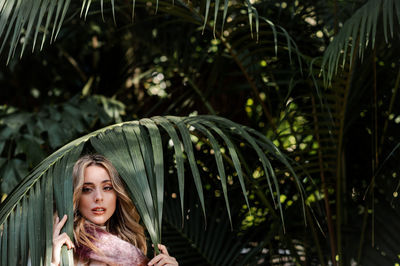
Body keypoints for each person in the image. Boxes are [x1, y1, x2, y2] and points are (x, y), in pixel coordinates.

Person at [51, 154, 178, 266]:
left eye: (107, 188)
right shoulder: (60, 246)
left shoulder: (131, 248)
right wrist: (52, 262)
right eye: (87, 189)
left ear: (118, 194)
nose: (99, 198)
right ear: (75, 196)